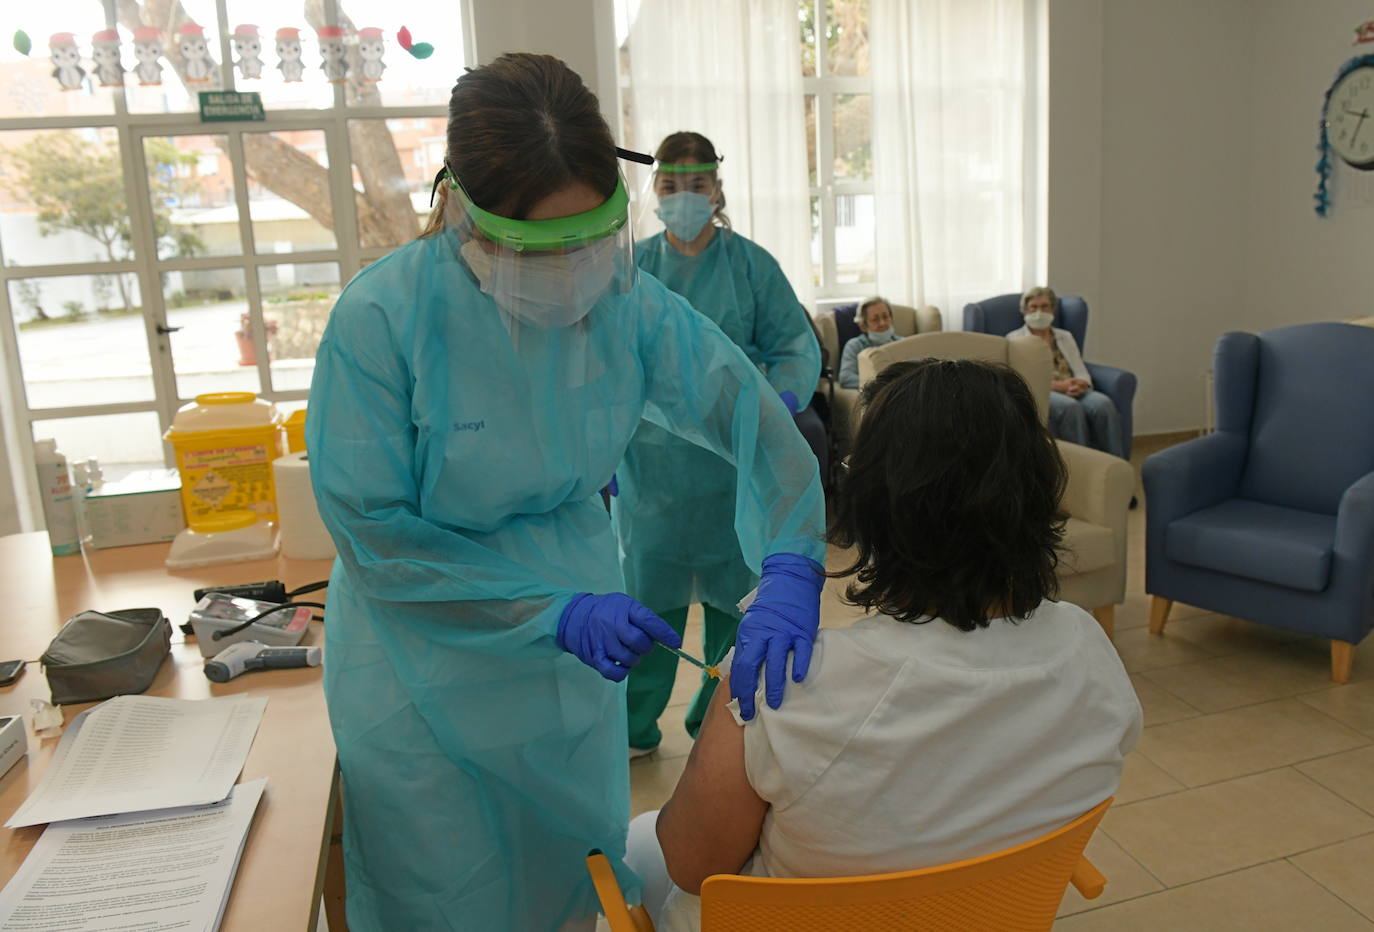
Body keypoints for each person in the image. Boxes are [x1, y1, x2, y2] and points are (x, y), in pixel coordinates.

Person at [306, 55, 826, 932]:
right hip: (424, 658)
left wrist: (791, 556)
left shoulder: (623, 300)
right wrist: (547, 610)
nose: (579, 271)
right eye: (547, 250)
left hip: (572, 644)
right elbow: (375, 537)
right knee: (447, 892)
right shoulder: (382, 321)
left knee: (572, 877)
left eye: (594, 237)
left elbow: (747, 412)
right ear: (466, 216)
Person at [625, 358, 1142, 931]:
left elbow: (691, 863)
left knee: (640, 843)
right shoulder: (1088, 649)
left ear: (875, 506)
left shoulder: (785, 686)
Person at [613, 131, 822, 757]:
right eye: (670, 185)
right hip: (652, 474)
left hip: (734, 469)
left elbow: (793, 347)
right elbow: (600, 361)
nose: (683, 196)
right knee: (649, 604)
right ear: (653, 191)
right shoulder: (633, 269)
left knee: (736, 604)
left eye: (696, 184)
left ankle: (717, 718)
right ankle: (633, 727)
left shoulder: (752, 267)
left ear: (717, 187)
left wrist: (776, 405)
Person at [1010, 286, 1125, 458]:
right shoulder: (1014, 339)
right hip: (1046, 390)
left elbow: (1079, 368)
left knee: (1104, 405)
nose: (1039, 312)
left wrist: (1082, 383)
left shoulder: (1065, 336)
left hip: (1073, 386)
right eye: (1034, 307)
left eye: (1045, 306)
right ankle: (1084, 463)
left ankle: (1116, 461)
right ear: (1024, 311)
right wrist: (1060, 386)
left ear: (1053, 310)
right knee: (1071, 408)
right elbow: (1022, 378)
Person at [837, 296, 900, 389]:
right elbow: (846, 378)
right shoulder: (854, 345)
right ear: (863, 326)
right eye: (875, 319)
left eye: (885, 317)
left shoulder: (902, 342)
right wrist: (879, 384)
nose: (882, 323)